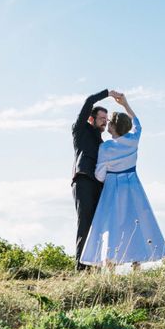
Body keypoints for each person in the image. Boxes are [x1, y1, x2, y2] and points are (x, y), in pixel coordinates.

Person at [79, 94, 165, 268]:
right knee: (135, 225)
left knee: (111, 227)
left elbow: (99, 175)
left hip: (113, 188)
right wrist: (126, 104)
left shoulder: (105, 147)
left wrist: (110, 174)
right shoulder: (133, 140)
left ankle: (110, 266)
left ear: (113, 126)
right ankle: (137, 266)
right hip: (133, 186)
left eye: (109, 123)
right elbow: (138, 125)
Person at [72, 89, 121, 270]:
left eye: (106, 120)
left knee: (98, 225)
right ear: (92, 119)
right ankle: (81, 268)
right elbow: (89, 101)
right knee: (85, 223)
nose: (105, 122)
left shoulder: (103, 143)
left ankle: (95, 267)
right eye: (102, 118)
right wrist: (108, 93)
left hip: (100, 185)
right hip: (83, 180)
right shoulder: (80, 129)